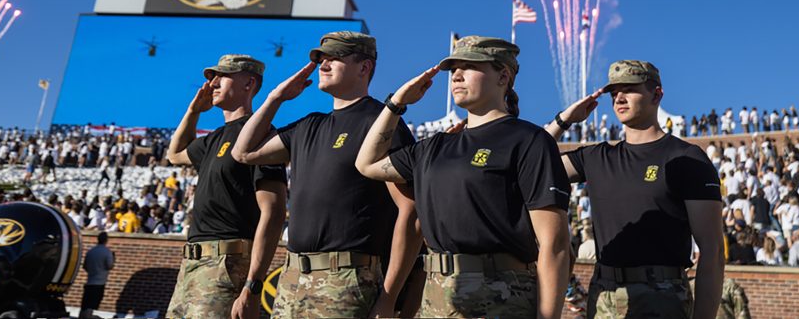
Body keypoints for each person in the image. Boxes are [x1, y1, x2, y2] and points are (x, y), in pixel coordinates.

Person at [355, 36, 570, 319]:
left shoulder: (529, 140)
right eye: (453, 68)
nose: (456, 75)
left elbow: (554, 245)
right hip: (436, 294)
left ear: (503, 76)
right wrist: (396, 104)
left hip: (502, 295)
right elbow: (367, 163)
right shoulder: (434, 146)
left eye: (469, 66)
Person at [233, 32, 420, 319]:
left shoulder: (381, 121)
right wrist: (276, 97)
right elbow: (243, 153)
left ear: (364, 67)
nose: (324, 64)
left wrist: (388, 297)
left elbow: (410, 211)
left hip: (347, 279)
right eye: (321, 59)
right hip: (292, 277)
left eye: (335, 58)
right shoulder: (310, 124)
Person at [546, 60, 724, 319]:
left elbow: (713, 252)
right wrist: (564, 120)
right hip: (604, 294)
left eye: (629, 88)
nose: (619, 97)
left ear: (656, 94)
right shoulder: (597, 157)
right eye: (614, 91)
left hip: (662, 297)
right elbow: (530, 166)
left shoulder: (686, 158)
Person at [165, 54, 288, 319]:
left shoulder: (261, 134)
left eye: (224, 76)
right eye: (212, 77)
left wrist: (252, 284)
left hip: (227, 263)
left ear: (249, 84)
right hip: (192, 263)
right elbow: (175, 155)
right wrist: (193, 111)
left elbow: (274, 212)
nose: (213, 83)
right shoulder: (215, 138)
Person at [80, 232, 115, 318]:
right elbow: (109, 266)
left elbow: (85, 266)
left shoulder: (91, 251)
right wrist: (114, 259)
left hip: (89, 281)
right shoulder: (107, 252)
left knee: (85, 305)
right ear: (106, 240)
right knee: (91, 306)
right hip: (99, 283)